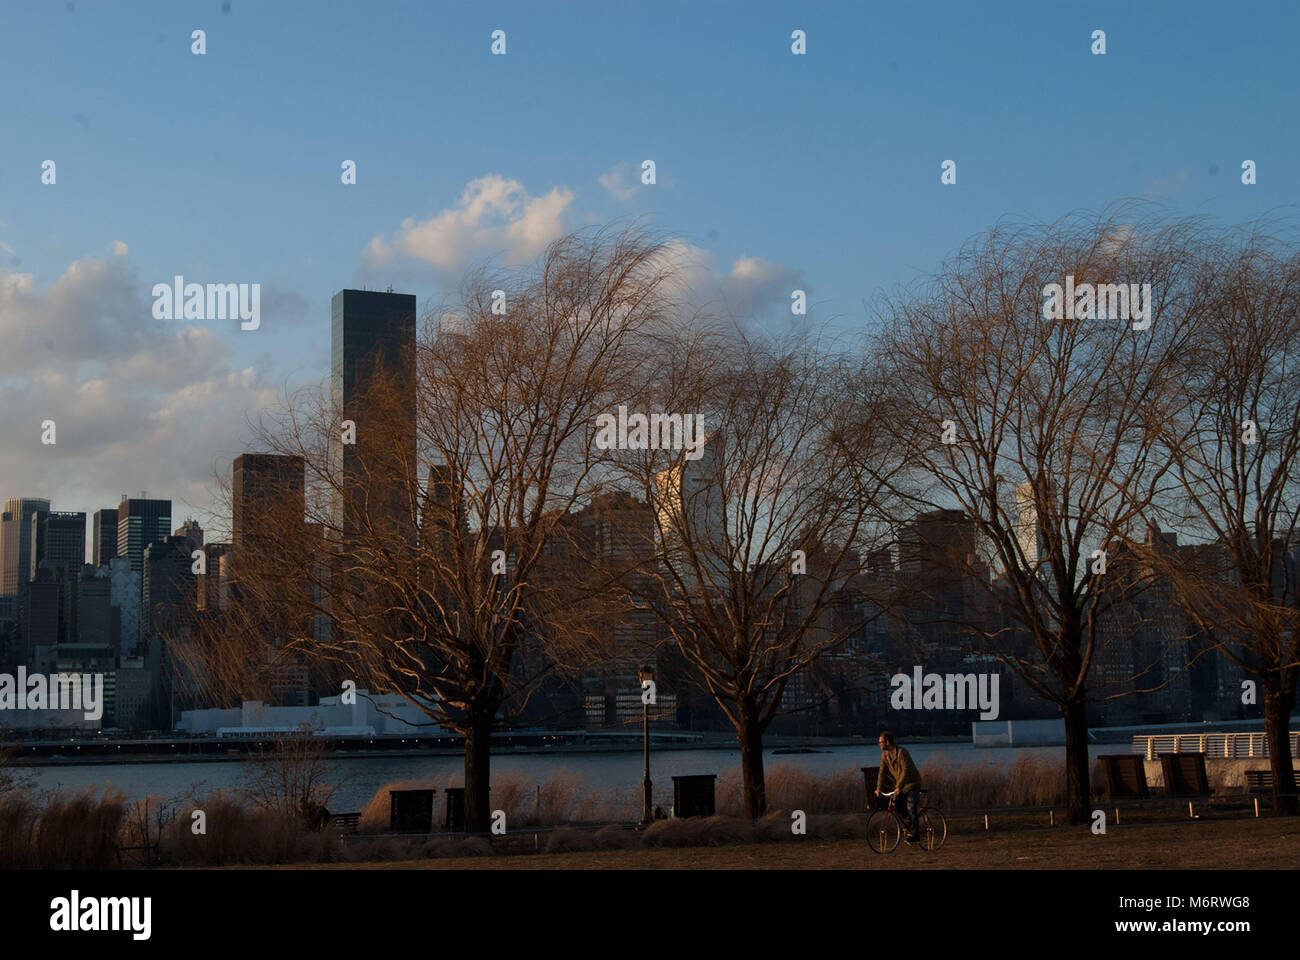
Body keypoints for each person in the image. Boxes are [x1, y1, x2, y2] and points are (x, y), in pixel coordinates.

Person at [875, 731, 922, 842]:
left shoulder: (902, 752)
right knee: (896, 804)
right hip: (901, 785)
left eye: (880, 742)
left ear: (887, 742)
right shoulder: (885, 755)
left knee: (911, 807)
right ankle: (909, 823)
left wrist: (898, 786)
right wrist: (879, 788)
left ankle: (916, 836)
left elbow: (906, 770)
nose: (879, 745)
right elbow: (882, 772)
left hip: (912, 783)